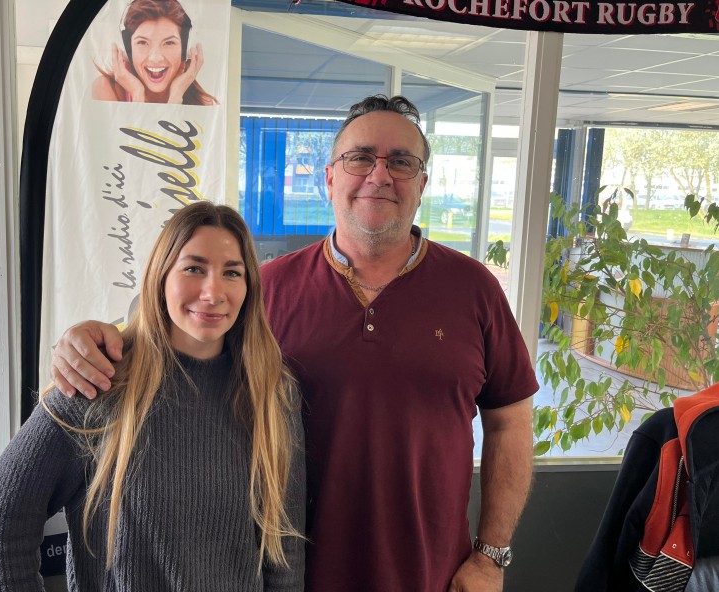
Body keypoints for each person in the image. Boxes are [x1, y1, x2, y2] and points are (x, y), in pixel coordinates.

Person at [50, 96, 539, 592]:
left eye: (401, 162)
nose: (380, 175)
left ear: (422, 185)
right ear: (329, 178)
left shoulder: (474, 290)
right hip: (288, 577)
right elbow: (170, 338)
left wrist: (491, 556)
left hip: (435, 576)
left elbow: (510, 422)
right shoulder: (265, 290)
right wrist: (92, 339)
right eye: (360, 158)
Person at [0, 202, 305, 590]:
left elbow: (285, 552)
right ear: (160, 277)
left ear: (248, 288)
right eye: (193, 268)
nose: (213, 292)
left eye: (232, 272)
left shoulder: (273, 392)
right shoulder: (99, 383)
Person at [92, 0, 218, 105]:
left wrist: (175, 97)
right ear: (127, 48)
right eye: (142, 42)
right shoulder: (106, 89)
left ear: (184, 49)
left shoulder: (203, 103)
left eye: (169, 43)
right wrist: (137, 94)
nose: (156, 58)